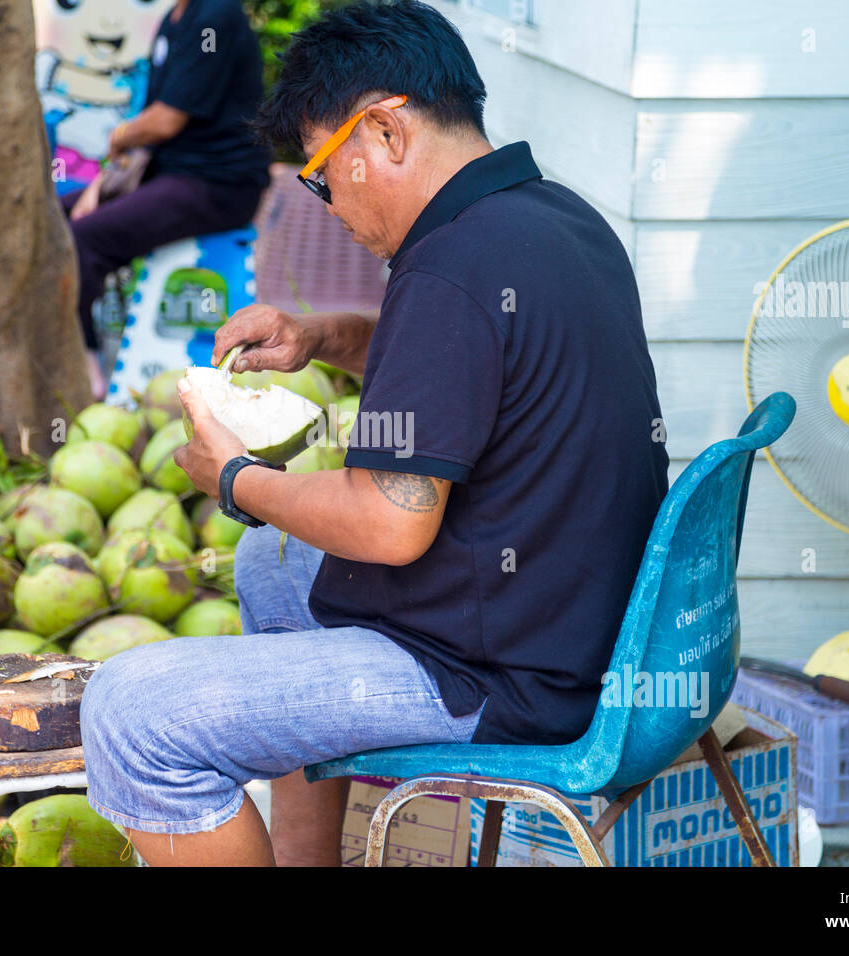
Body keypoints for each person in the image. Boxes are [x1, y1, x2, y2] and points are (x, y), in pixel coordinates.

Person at [79, 0, 669, 866]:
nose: (325, 205)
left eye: (322, 173)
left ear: (386, 132)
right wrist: (323, 337)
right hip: (573, 619)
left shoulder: (451, 272)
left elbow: (390, 524)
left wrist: (236, 478)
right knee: (273, 565)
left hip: (506, 674)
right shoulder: (551, 217)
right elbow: (474, 377)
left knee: (133, 711)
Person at [61, 0, 271, 399]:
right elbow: (151, 127)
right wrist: (101, 184)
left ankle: (83, 358)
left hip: (218, 184)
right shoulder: (174, 18)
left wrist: (118, 136)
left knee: (82, 236)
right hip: (166, 173)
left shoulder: (216, 15)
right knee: (52, 216)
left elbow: (165, 120)